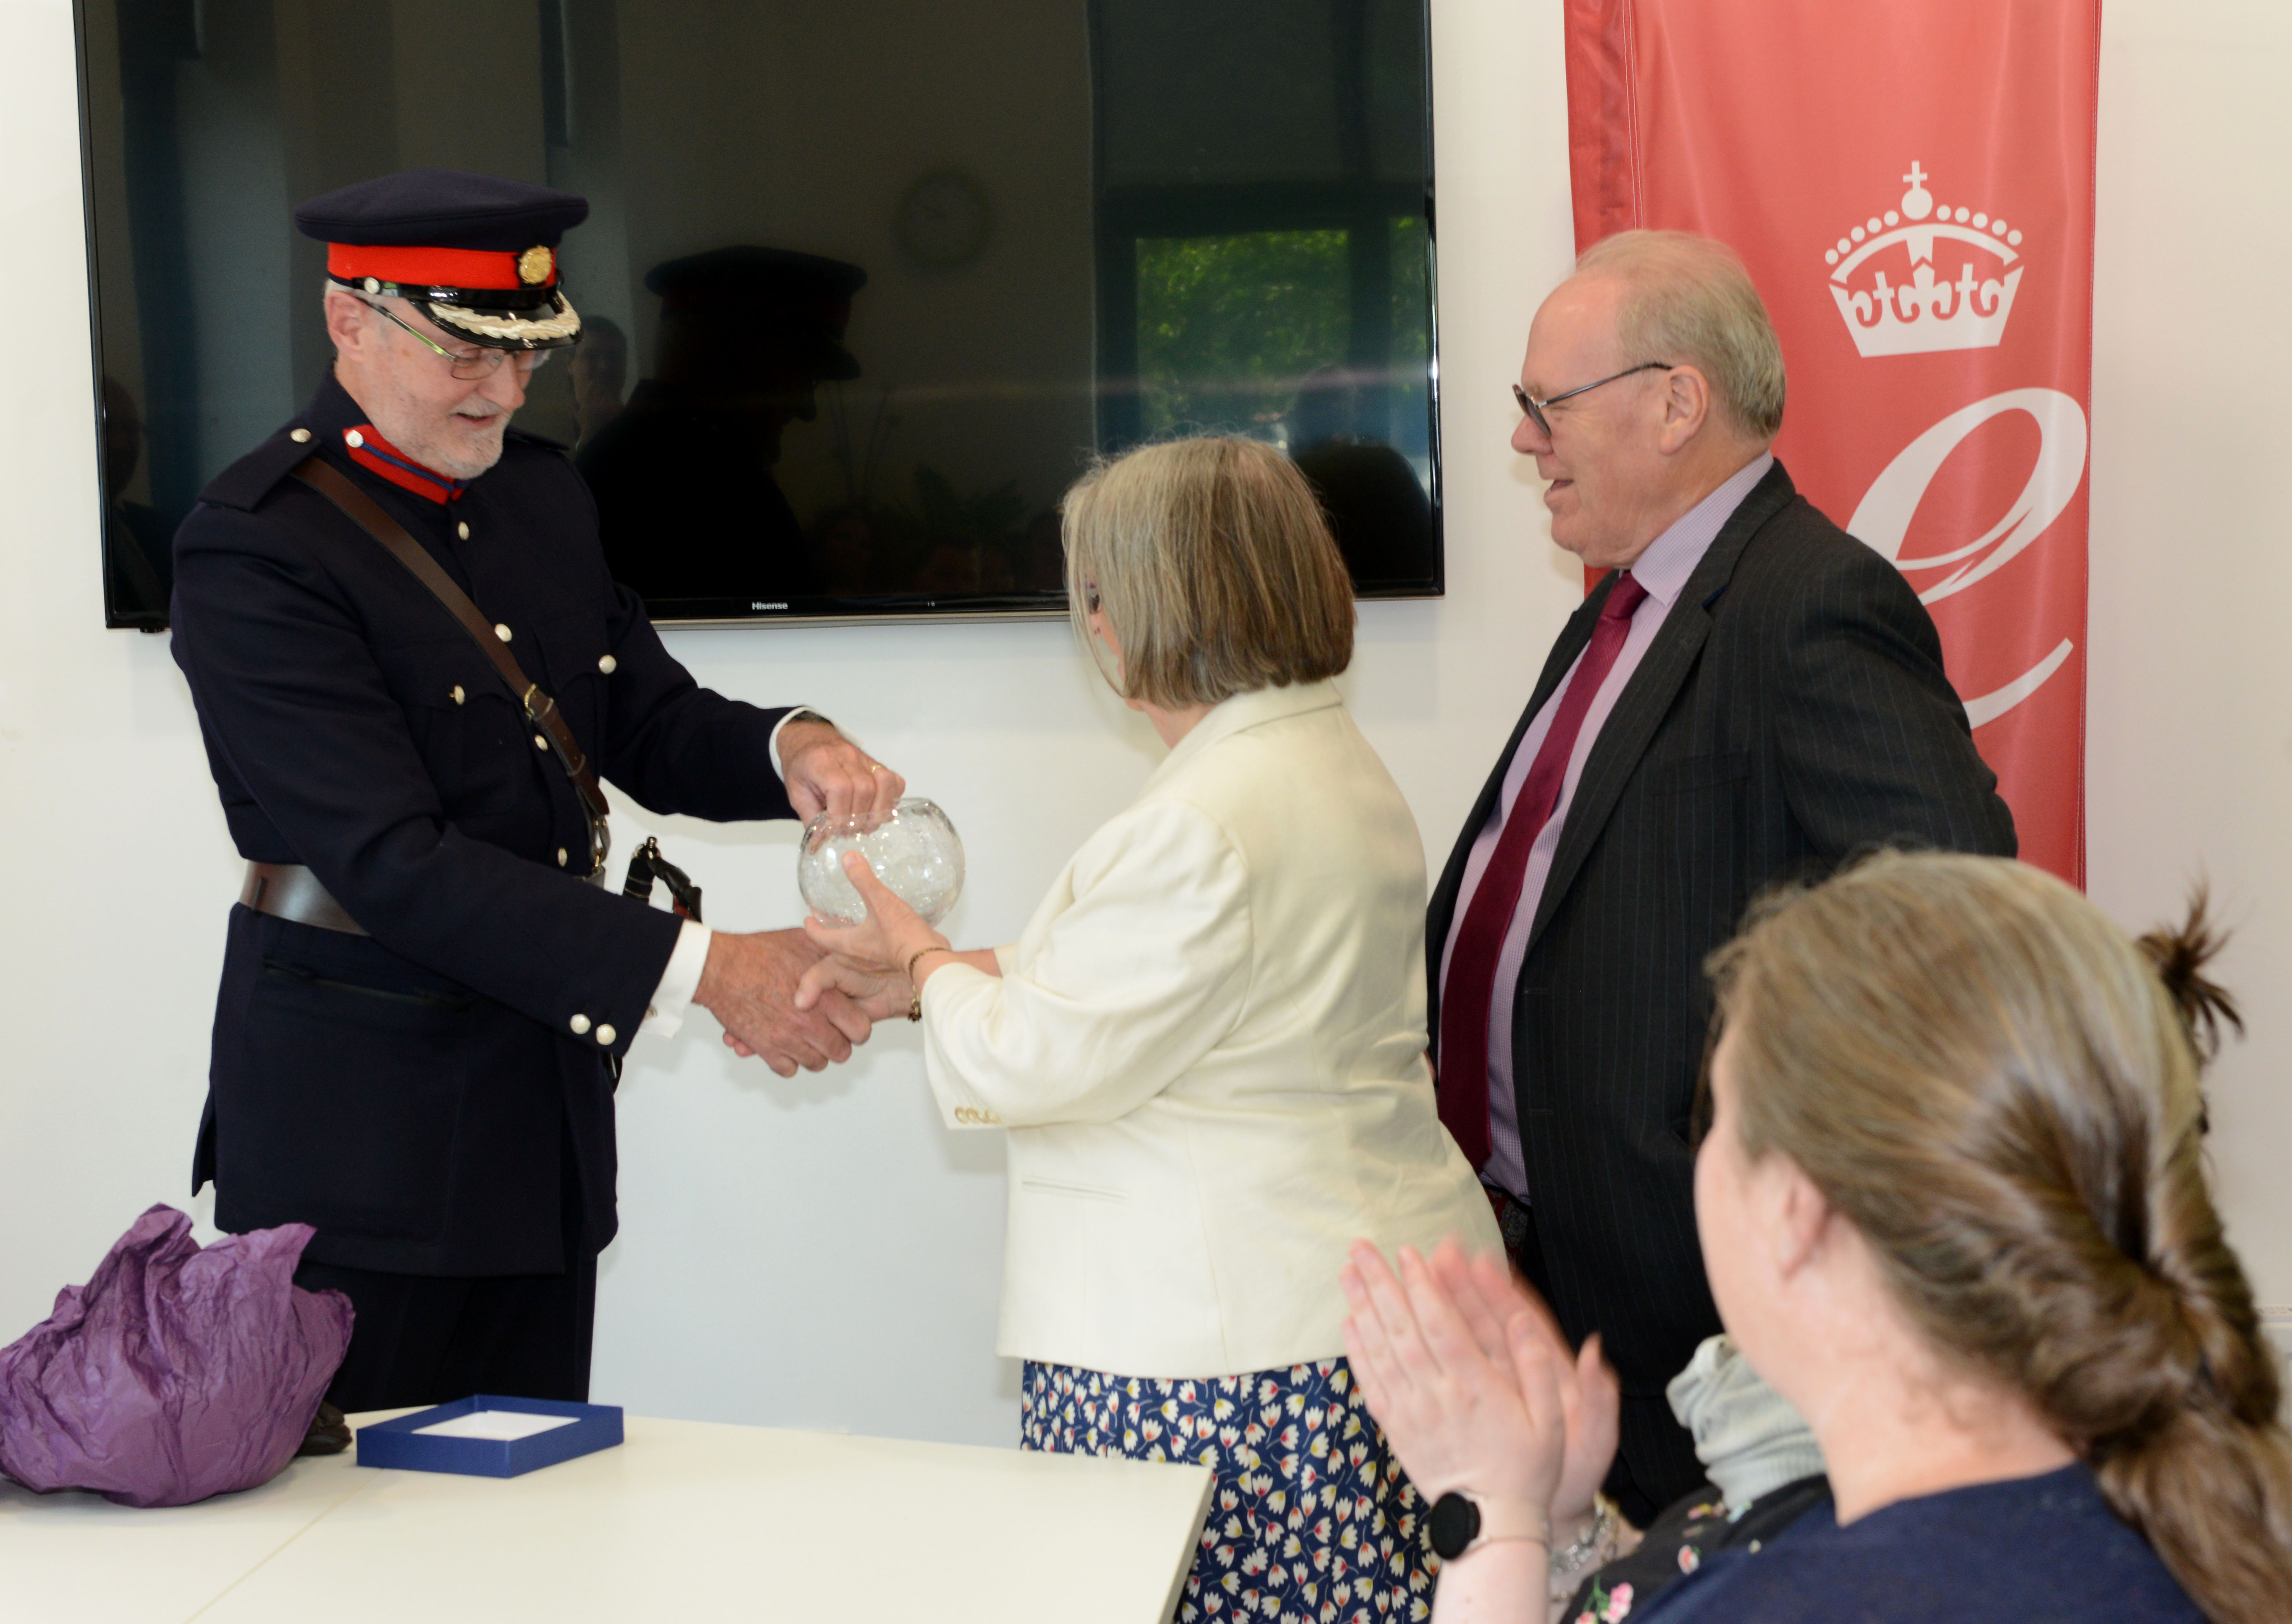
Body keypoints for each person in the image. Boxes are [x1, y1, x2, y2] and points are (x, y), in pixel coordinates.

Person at [169, 169, 908, 1413]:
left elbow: (642, 715)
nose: (506, 391)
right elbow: (397, 861)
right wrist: (709, 964)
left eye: (526, 355)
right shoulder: (257, 544)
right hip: (363, 1140)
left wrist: (791, 743)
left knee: (536, 1508)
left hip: (534, 1111)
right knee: (364, 1552)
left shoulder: (541, 493)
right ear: (351, 317)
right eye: (467, 352)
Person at [794, 437, 1505, 1624]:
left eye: (1096, 592)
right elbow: (1178, 997)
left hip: (1223, 1364)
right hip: (1343, 1318)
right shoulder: (1323, 763)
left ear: (1142, 608)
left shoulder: (1202, 818)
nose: (1092, 622)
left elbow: (1036, 1059)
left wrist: (922, 954)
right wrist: (935, 980)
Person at [1430, 229, 2017, 1518]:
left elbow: (1955, 914)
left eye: (1546, 404)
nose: (1526, 439)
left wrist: (1762, 1153)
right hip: (1567, 1279)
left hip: (1699, 1313)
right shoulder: (1621, 604)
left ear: (1676, 400)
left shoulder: (1809, 601)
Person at [1344, 851, 2292, 1624]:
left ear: (1797, 1206)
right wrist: (1558, 1521)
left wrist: (1487, 1517)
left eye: (1713, 1118)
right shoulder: (2181, 1521)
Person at [578, 245, 867, 608]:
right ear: (741, 358)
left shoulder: (609, 466)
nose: (808, 409)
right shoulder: (727, 500)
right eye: (802, 376)